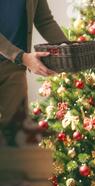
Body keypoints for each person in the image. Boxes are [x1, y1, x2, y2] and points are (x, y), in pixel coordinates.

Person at [0, 0, 67, 145]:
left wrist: (67, 49)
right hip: (18, 58)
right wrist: (21, 57)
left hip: (13, 67)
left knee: (13, 135)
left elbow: (44, 21)